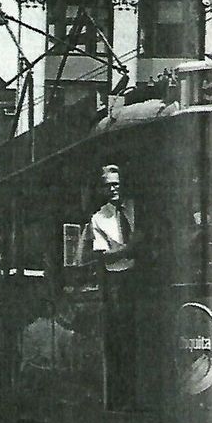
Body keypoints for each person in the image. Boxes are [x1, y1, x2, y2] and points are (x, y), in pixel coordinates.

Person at [90, 164, 140, 410]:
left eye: (116, 183)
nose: (113, 189)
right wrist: (131, 248)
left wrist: (122, 249)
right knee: (121, 333)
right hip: (118, 281)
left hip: (141, 278)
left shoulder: (136, 208)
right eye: (108, 185)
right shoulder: (98, 218)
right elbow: (105, 256)